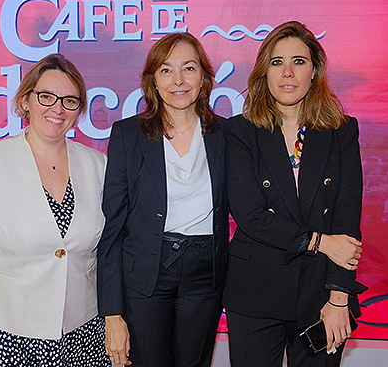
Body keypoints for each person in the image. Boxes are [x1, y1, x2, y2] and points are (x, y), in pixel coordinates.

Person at [0, 54, 110, 367]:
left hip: (83, 333)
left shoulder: (98, 166)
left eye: (70, 101)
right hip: (6, 335)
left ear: (78, 111)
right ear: (26, 100)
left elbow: (106, 253)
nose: (57, 108)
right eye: (46, 96)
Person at [223, 21, 368, 366]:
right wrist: (321, 241)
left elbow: (346, 220)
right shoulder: (241, 132)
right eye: (277, 62)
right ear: (264, 73)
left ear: (315, 70)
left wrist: (338, 298)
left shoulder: (341, 131)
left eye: (299, 62)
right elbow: (251, 216)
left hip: (321, 292)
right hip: (256, 291)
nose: (288, 73)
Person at [97, 32, 229, 367]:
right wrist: (112, 314)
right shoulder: (128, 135)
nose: (179, 80)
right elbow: (112, 229)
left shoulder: (228, 136)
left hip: (206, 275)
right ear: (153, 80)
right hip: (145, 274)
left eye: (189, 68)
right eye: (166, 70)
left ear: (204, 77)